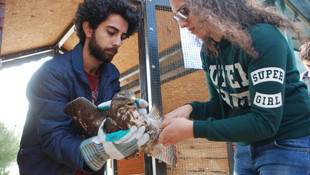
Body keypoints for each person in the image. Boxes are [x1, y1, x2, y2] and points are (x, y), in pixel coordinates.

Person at [158, 0, 310, 174]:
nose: (183, 24)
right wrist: (190, 109)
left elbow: (265, 122)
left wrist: (193, 129)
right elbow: (223, 106)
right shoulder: (209, 50)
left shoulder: (262, 38)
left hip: (286, 142)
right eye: (177, 17)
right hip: (246, 146)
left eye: (184, 11)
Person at [17, 0, 150, 174]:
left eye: (122, 37)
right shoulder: (52, 73)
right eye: (111, 32)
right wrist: (97, 152)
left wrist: (131, 114)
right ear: (88, 29)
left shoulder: (111, 74)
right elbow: (54, 137)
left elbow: (111, 119)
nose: (118, 42)